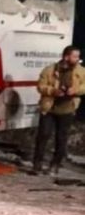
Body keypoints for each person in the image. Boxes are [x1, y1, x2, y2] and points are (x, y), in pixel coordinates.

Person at [32, 45, 85, 175]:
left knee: (61, 138)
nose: (78, 59)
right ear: (66, 57)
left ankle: (55, 164)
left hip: (67, 109)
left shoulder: (81, 71)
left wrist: (76, 90)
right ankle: (37, 164)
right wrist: (52, 91)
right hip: (49, 108)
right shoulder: (50, 70)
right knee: (43, 135)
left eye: (78, 56)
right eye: (75, 56)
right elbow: (40, 86)